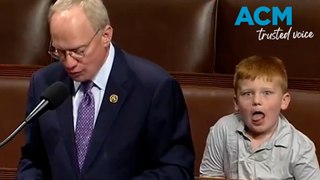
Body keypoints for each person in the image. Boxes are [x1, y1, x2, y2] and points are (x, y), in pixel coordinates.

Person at [16, 0, 195, 179]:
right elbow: (33, 160)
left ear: (106, 35)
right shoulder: (44, 83)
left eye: (79, 51)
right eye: (60, 52)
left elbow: (176, 168)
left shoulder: (153, 88)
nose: (69, 63)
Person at [199, 56, 320, 179]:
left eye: (266, 93)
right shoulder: (222, 130)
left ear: (284, 101)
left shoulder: (301, 148)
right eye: (248, 93)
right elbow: (211, 176)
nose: (256, 101)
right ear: (236, 103)